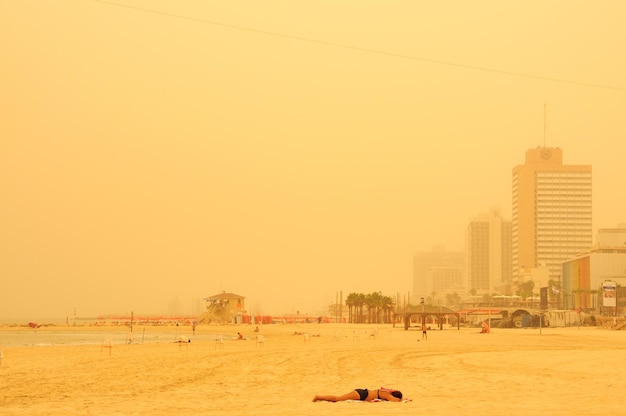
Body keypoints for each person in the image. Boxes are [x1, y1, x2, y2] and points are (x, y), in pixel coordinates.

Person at [313, 387, 405, 402]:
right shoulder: (386, 395)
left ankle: (319, 397)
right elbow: (395, 400)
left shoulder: (385, 391)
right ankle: (318, 397)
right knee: (337, 399)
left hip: (362, 392)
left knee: (338, 399)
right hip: (361, 395)